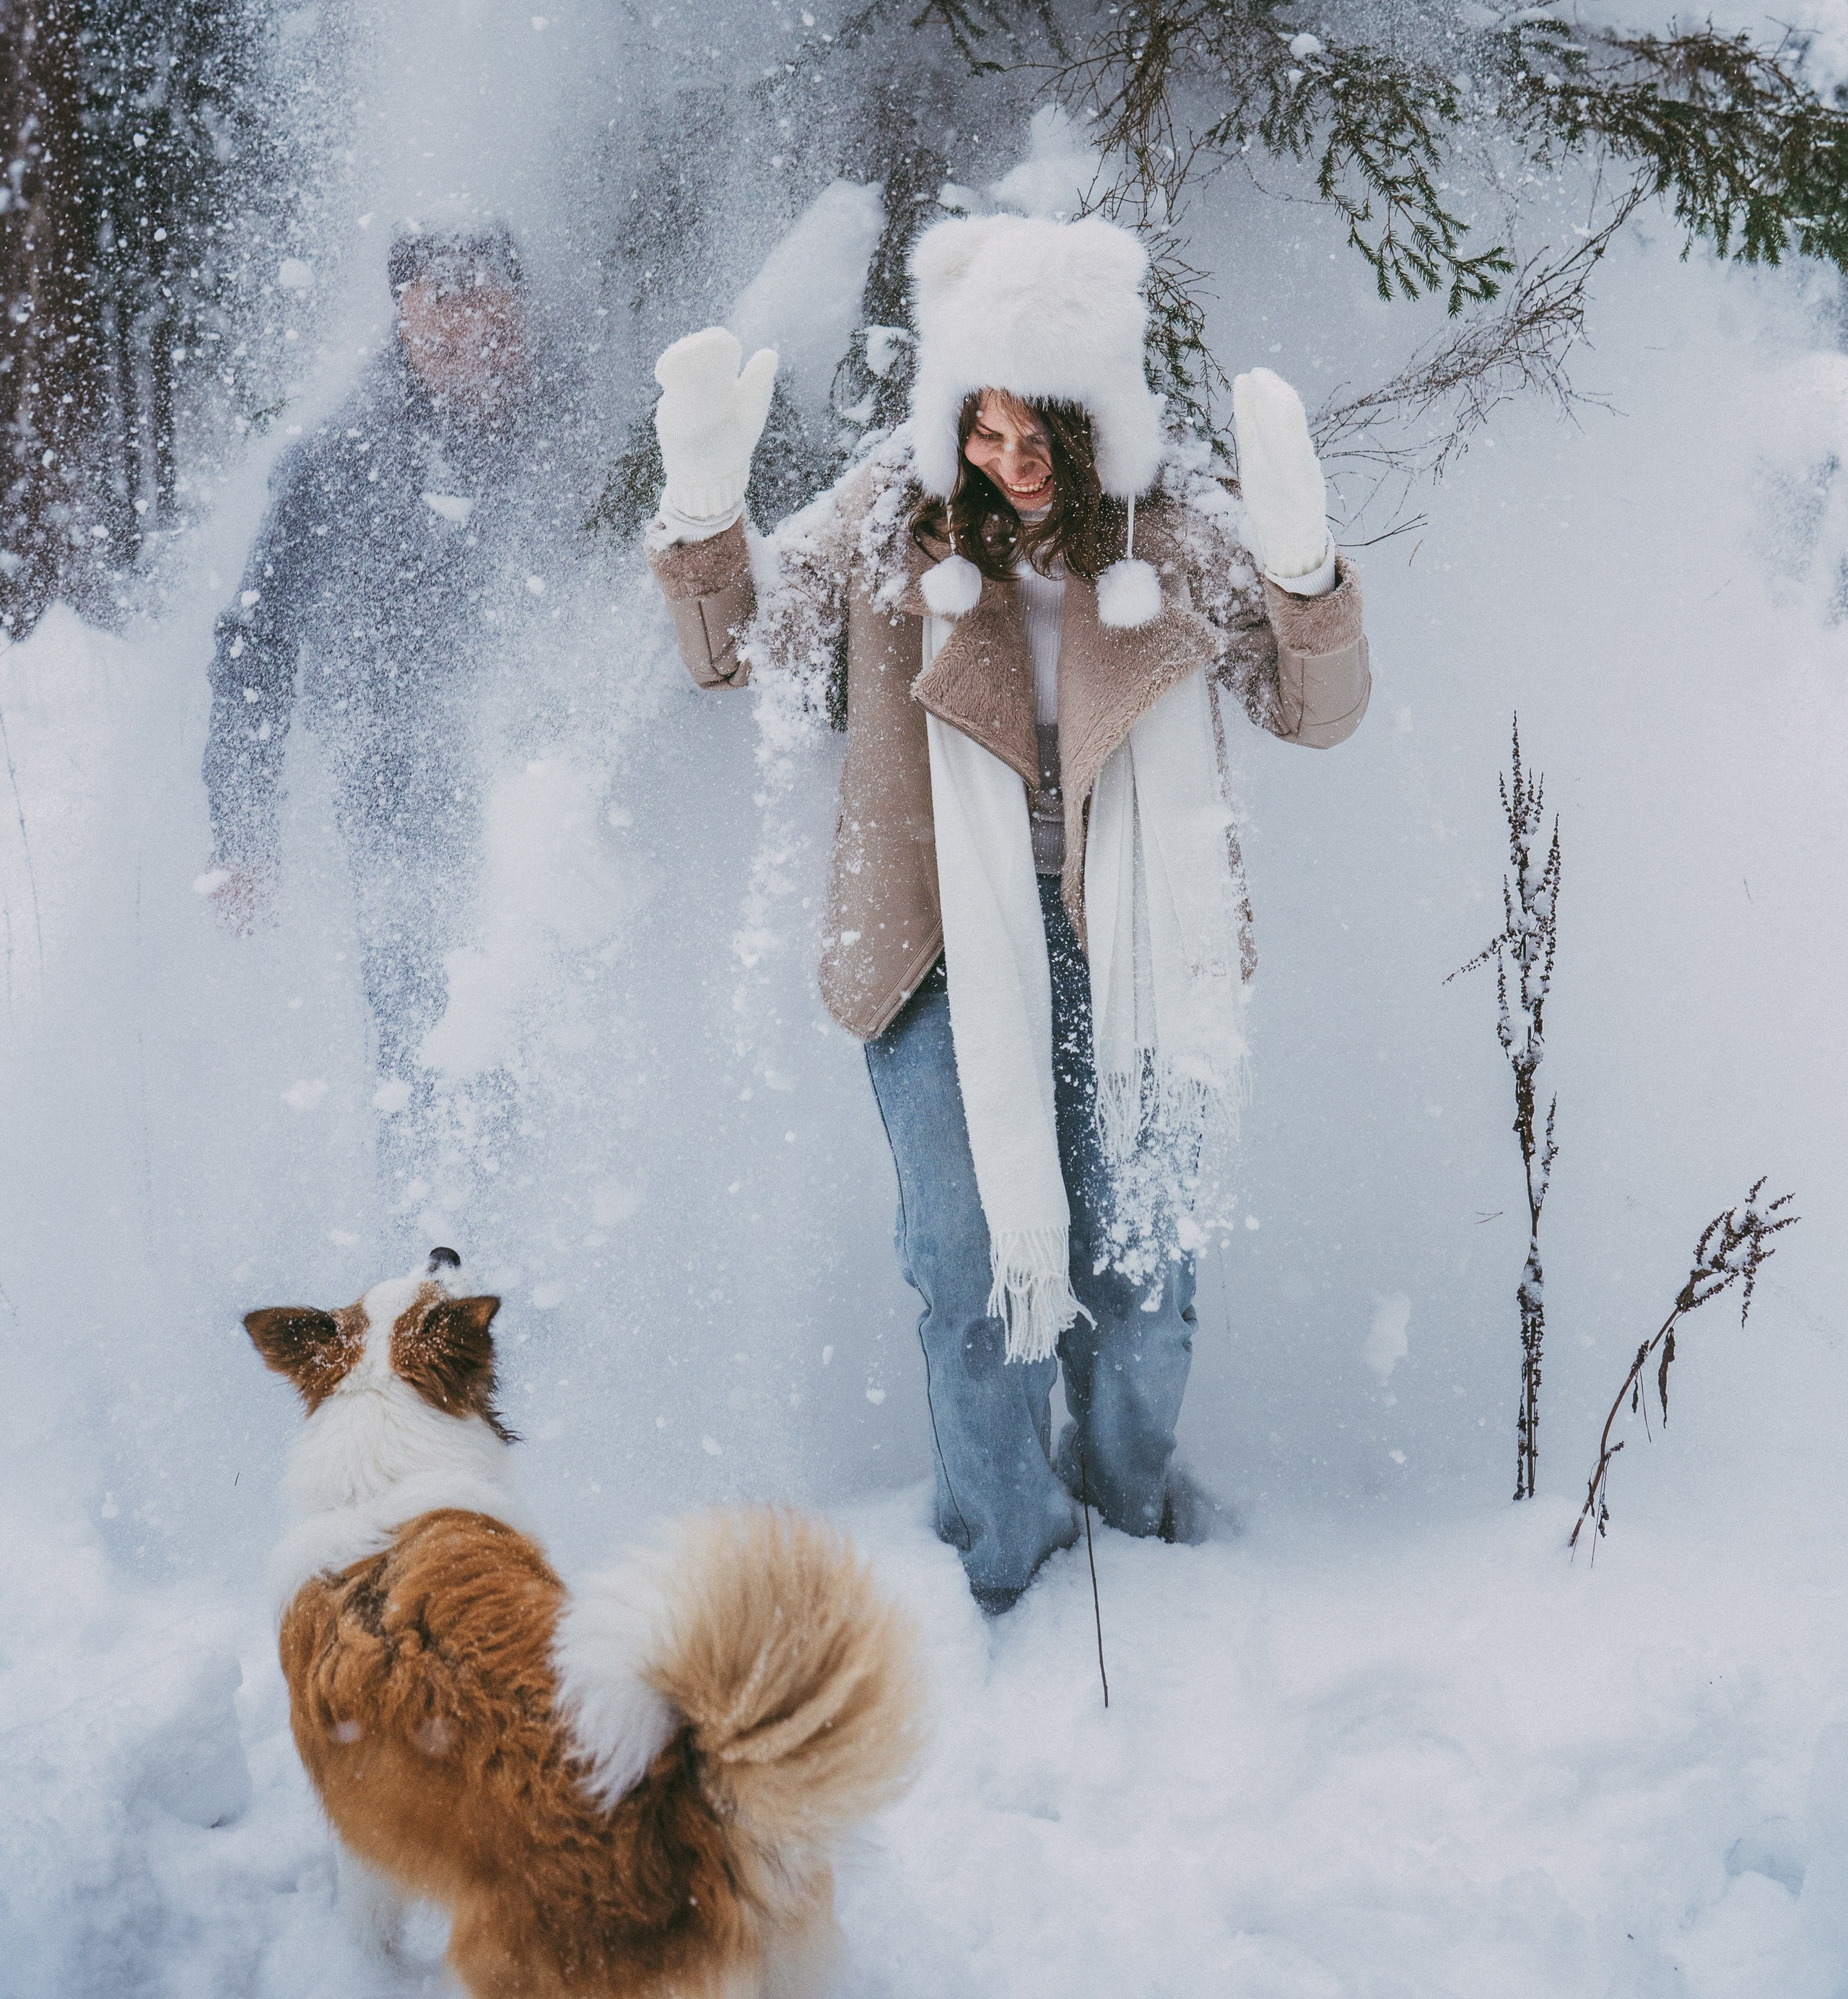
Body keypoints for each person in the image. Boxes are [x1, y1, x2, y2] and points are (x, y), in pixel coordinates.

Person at [644, 212, 1372, 1613]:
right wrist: (699, 516)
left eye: (1042, 437)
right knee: (964, 1273)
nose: (1012, 467)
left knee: (1138, 1281)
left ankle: (1129, 1535)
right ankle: (999, 1562)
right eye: (984, 436)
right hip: (929, 946)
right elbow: (738, 648)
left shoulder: (1174, 530)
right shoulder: (883, 521)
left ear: (1097, 423)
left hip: (1136, 950)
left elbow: (1312, 713)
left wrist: (1301, 573)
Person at [202, 220, 544, 1133]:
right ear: (404, 320)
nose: (472, 338)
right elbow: (255, 650)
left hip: (548, 785)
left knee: (552, 1023)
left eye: (490, 311)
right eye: (444, 314)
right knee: (420, 1039)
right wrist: (244, 827)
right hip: (394, 796)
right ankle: (431, 1251)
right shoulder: (335, 458)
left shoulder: (572, 427)